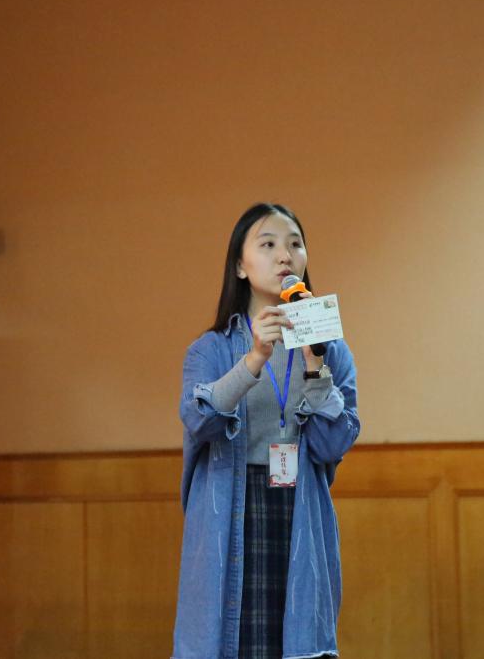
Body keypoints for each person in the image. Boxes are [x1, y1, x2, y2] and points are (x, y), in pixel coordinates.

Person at [172, 203, 360, 659]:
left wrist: (315, 369)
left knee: (296, 642)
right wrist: (255, 357)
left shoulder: (329, 348)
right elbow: (199, 421)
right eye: (268, 244)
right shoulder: (211, 349)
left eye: (295, 244)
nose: (285, 256)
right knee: (230, 642)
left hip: (301, 511)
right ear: (240, 266)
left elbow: (335, 443)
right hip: (229, 512)